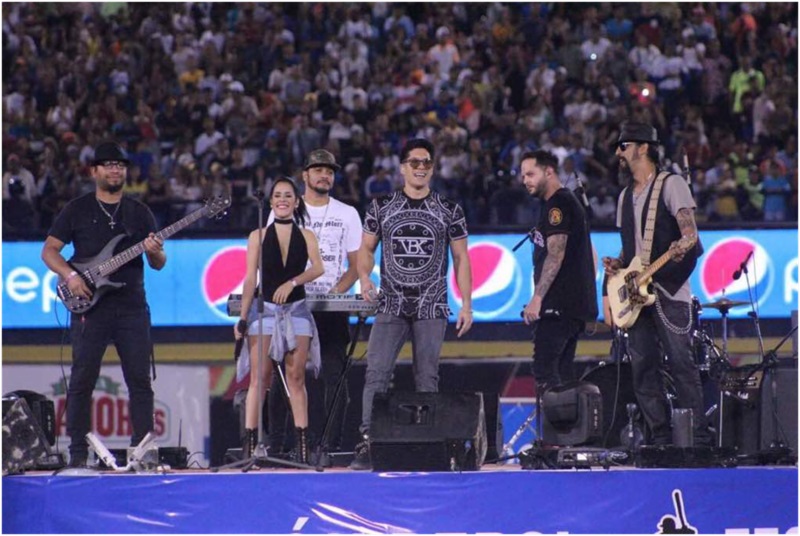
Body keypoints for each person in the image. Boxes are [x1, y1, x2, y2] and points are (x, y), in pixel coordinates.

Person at [41, 140, 167, 467]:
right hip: (89, 306)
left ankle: (142, 452)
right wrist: (70, 276)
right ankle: (78, 454)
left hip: (131, 306)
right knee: (82, 379)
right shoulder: (77, 209)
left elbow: (158, 263)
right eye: (108, 165)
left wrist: (155, 251)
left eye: (120, 165)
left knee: (139, 380)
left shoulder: (139, 212)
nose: (115, 170)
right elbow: (49, 250)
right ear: (94, 171)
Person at [350, 138, 474, 470]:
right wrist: (364, 278)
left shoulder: (449, 209)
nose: (421, 168)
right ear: (403, 167)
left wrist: (467, 305)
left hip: (432, 305)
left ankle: (427, 443)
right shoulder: (382, 206)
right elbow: (365, 249)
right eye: (415, 162)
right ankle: (368, 443)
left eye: (426, 163)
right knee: (376, 375)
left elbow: (462, 258)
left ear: (433, 168)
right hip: (390, 302)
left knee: (427, 378)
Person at [602, 121, 712, 447]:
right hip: (637, 295)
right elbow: (634, 248)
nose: (618, 153)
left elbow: (689, 234)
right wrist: (619, 264)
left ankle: (697, 438)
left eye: (623, 146)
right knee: (642, 368)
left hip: (669, 290)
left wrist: (683, 244)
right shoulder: (624, 197)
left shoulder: (671, 184)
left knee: (681, 363)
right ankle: (660, 436)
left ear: (643, 147)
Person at [266, 149, 362, 461]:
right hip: (290, 308)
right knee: (283, 377)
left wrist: (335, 293)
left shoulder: (347, 213)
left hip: (329, 311)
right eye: (318, 170)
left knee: (334, 377)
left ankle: (328, 448)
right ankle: (280, 447)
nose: (324, 176)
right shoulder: (285, 207)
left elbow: (356, 265)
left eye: (329, 171)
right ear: (304, 175)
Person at [234, 177, 324, 464]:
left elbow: (318, 268)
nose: (283, 199)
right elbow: (251, 279)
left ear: (296, 202)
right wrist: (243, 317)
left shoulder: (307, 234)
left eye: (288, 195)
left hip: (296, 311)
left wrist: (293, 281)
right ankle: (249, 446)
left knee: (296, 377)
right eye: (277, 195)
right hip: (266, 312)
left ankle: (302, 447)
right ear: (271, 202)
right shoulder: (257, 236)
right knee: (260, 378)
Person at [520, 149, 598, 396]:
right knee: (564, 376)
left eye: (531, 174)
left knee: (546, 373)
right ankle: (572, 433)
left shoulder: (558, 204)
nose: (525, 181)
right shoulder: (562, 202)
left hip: (559, 306)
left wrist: (538, 298)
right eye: (523, 176)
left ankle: (557, 433)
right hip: (573, 306)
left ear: (549, 171)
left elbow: (556, 254)